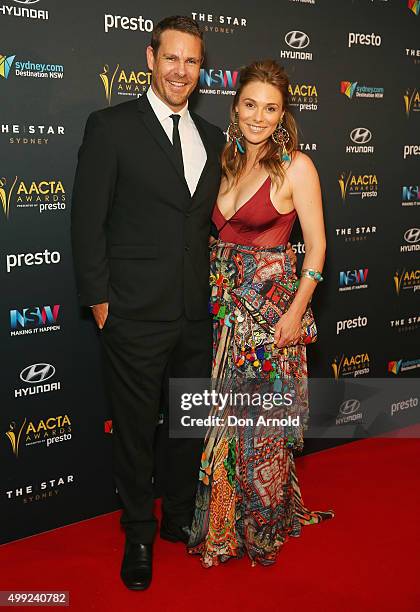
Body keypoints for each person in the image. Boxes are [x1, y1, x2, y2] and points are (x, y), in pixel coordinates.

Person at [70, 16, 227, 590]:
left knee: (188, 422)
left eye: (192, 62)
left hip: (195, 312)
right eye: (172, 58)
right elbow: (87, 222)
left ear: (200, 69)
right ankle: (138, 530)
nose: (181, 71)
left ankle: (178, 516)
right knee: (135, 428)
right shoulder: (110, 127)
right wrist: (101, 302)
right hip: (132, 312)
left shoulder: (215, 138)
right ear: (150, 58)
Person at [187, 60, 335, 567]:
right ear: (235, 106)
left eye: (271, 108)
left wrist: (295, 315)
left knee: (262, 432)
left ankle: (263, 528)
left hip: (268, 319)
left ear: (283, 114)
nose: (258, 116)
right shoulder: (226, 160)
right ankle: (224, 527)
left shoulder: (296, 166)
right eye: (250, 104)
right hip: (221, 316)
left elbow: (315, 249)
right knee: (224, 426)